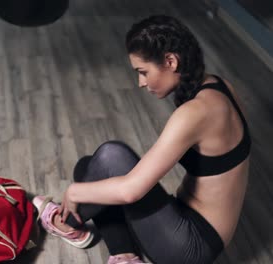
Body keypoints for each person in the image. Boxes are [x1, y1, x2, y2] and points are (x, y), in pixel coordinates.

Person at [33, 15, 251, 264]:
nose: (140, 82)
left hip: (189, 247)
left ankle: (64, 223)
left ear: (170, 61)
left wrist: (73, 192)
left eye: (143, 72)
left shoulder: (195, 113)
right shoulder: (219, 85)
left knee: (109, 158)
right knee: (89, 166)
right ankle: (124, 255)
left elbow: (130, 191)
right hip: (188, 223)